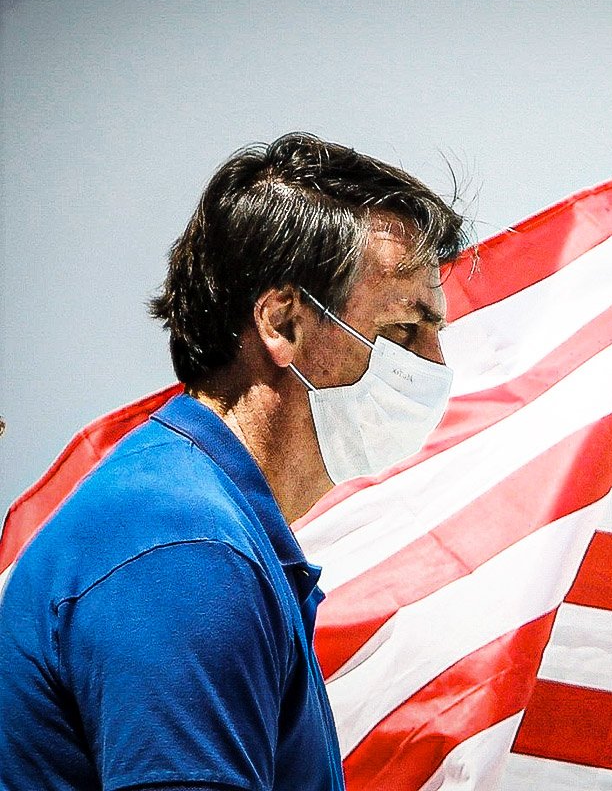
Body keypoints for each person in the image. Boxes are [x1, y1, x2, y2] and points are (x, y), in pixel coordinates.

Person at [0, 133, 468, 790]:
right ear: (282, 323)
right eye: (401, 329)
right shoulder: (183, 550)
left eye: (436, 331)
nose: (434, 366)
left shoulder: (203, 529)